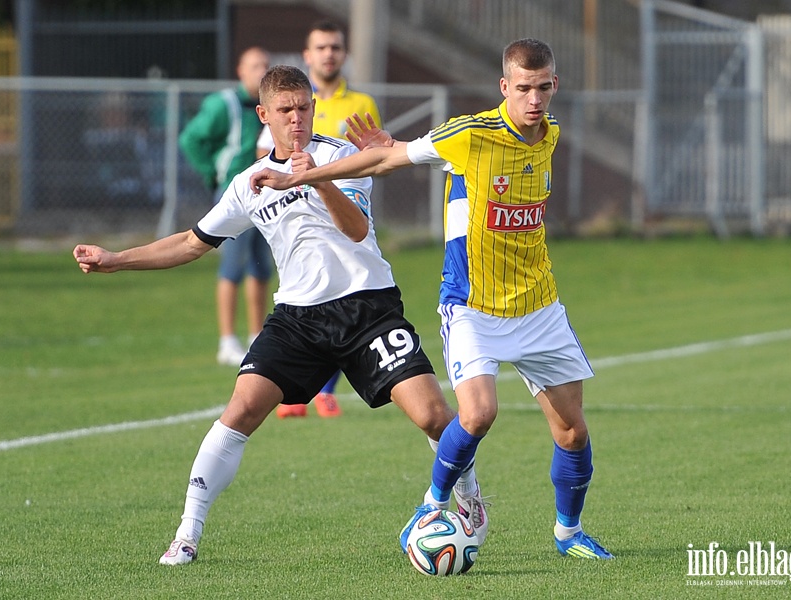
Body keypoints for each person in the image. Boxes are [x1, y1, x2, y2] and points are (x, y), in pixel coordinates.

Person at [72, 65, 486, 566]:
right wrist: (116, 259)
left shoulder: (342, 156)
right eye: (285, 110)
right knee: (241, 409)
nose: (297, 119)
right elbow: (189, 242)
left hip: (368, 309)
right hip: (298, 320)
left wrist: (311, 179)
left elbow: (356, 230)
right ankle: (187, 533)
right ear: (264, 115)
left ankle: (468, 501)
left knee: (435, 417)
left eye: (304, 107)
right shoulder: (250, 183)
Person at [251, 39, 613, 559]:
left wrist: (385, 145)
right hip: (471, 302)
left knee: (573, 431)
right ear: (504, 87)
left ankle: (568, 533)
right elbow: (385, 162)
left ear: (553, 86)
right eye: (524, 88)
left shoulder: (549, 134)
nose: (534, 99)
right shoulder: (471, 132)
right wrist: (301, 175)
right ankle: (434, 501)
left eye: (543, 87)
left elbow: (394, 149)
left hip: (538, 303)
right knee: (478, 414)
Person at [265, 19, 383, 419]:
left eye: (335, 47)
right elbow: (269, 156)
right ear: (307, 55)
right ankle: (306, 386)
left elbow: (374, 155)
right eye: (321, 47)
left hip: (342, 204)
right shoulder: (288, 99)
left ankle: (324, 389)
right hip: (296, 215)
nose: (328, 54)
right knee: (306, 289)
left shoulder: (361, 103)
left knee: (344, 286)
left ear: (343, 54)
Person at [179, 46, 274, 367]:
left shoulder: (270, 104)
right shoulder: (224, 104)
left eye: (265, 64)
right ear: (240, 71)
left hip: (268, 190)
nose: (261, 70)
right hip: (235, 193)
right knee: (232, 265)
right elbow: (190, 139)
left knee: (261, 265)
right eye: (254, 65)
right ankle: (227, 340)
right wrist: (212, 173)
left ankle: (257, 335)